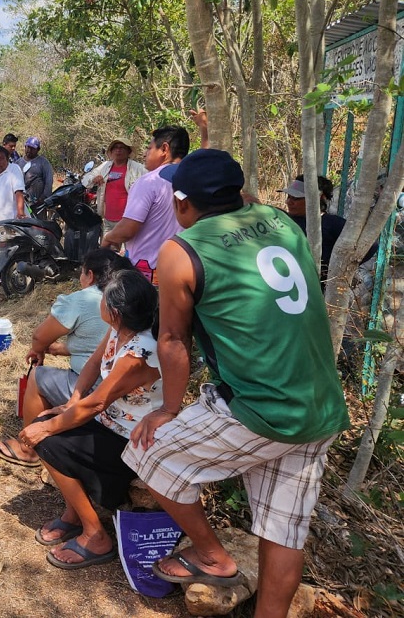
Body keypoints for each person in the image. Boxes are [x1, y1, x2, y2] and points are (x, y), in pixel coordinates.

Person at [123, 149, 349, 616]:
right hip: (321, 405)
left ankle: (213, 556)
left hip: (259, 407)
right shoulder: (279, 220)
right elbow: (244, 198)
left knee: (149, 455)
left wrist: (168, 408)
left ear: (182, 203)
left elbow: (171, 339)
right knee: (283, 531)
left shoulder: (181, 252)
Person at [18, 270, 162, 569]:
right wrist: (72, 401)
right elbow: (95, 364)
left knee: (46, 439)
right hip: (109, 423)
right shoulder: (119, 330)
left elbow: (97, 403)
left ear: (114, 311)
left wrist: (49, 425)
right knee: (46, 426)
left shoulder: (139, 352)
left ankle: (96, 535)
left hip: (129, 439)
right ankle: (74, 514)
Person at [0, 248, 136, 468]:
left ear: (91, 275)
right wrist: (63, 349)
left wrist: (39, 349)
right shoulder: (127, 300)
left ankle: (28, 450)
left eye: (82, 272)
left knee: (37, 377)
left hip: (100, 390)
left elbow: (40, 336)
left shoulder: (84, 299)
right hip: (128, 390)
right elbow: (99, 345)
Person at [101, 125, 189, 284]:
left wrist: (108, 238)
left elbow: (128, 229)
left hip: (148, 276)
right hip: (185, 272)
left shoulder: (149, 182)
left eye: (149, 148)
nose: (145, 153)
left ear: (164, 149)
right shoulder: (197, 179)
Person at [82, 137, 146, 231]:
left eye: (122, 147)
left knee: (129, 246)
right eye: (115, 147)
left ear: (128, 151)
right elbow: (86, 179)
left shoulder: (137, 168)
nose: (118, 150)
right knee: (107, 245)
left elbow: (153, 179)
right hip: (108, 220)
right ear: (111, 151)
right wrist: (93, 179)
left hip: (128, 220)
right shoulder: (105, 166)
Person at [18, 136, 55, 203]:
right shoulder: (18, 162)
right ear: (25, 147)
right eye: (28, 147)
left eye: (32, 148)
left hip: (37, 201)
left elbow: (49, 181)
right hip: (20, 200)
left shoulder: (43, 163)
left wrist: (44, 197)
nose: (29, 150)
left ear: (38, 150)